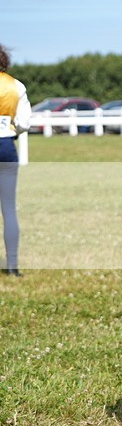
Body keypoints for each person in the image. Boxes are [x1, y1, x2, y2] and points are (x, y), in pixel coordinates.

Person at [0, 45, 31, 277]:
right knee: (9, 209)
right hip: (6, 146)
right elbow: (23, 123)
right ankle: (12, 266)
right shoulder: (15, 85)